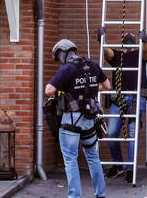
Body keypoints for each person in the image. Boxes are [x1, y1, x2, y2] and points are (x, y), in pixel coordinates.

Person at [46, 39, 112, 198]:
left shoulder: (67, 68)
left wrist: (63, 92)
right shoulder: (93, 65)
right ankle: (100, 194)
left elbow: (49, 90)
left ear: (62, 53)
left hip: (71, 120)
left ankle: (75, 196)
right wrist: (91, 87)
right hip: (89, 118)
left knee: (70, 159)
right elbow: (107, 86)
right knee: (93, 156)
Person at [101, 30, 147, 183]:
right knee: (111, 133)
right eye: (126, 40)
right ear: (122, 43)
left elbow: (146, 51)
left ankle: (130, 170)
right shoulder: (118, 56)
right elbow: (108, 53)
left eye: (132, 40)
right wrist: (102, 39)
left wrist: (145, 41)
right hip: (119, 99)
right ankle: (118, 165)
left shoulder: (139, 54)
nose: (129, 42)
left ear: (135, 43)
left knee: (132, 133)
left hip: (137, 98)